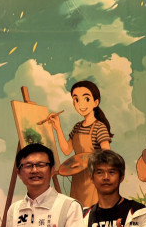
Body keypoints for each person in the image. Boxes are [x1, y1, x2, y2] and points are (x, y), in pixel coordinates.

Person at [47, 80, 112, 209]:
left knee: (91, 214)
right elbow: (67, 150)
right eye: (76, 100)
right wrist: (58, 127)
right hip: (77, 180)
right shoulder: (77, 127)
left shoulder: (99, 127)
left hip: (93, 181)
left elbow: (107, 155)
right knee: (77, 213)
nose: (80, 104)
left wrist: (88, 162)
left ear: (95, 102)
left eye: (86, 99)